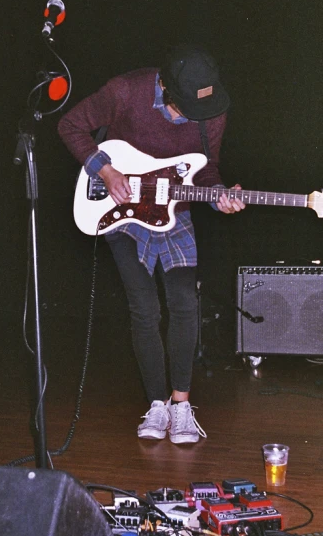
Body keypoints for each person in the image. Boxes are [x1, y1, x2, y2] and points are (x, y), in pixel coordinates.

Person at [58, 44, 245, 444]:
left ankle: (181, 406)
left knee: (184, 302)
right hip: (121, 208)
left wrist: (220, 195)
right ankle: (156, 405)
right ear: (166, 88)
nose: (194, 119)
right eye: (185, 111)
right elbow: (70, 125)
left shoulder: (212, 110)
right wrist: (105, 172)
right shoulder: (126, 91)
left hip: (174, 209)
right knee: (144, 307)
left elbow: (206, 169)